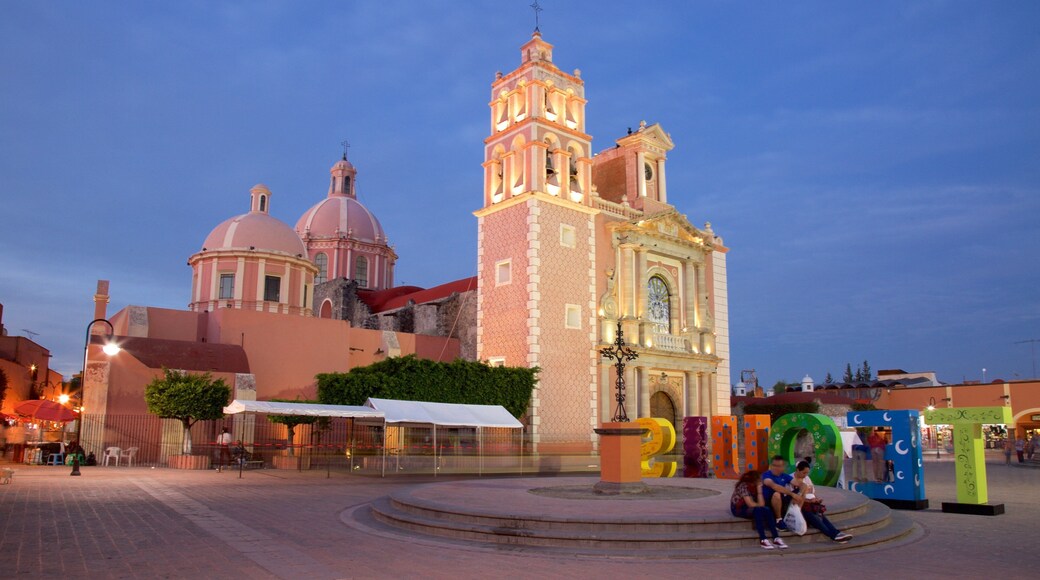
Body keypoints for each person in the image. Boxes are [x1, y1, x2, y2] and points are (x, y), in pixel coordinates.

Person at [791, 460, 852, 543]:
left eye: (807, 473)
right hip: (799, 507)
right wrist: (808, 500)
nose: (805, 475)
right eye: (803, 473)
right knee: (814, 517)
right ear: (797, 470)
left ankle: (837, 533)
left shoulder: (806, 478)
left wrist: (816, 499)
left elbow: (812, 491)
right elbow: (792, 498)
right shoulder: (791, 479)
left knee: (820, 516)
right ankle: (834, 535)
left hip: (810, 504)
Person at [730, 470, 788, 550]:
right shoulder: (743, 486)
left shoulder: (757, 487)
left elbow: (762, 504)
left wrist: (759, 491)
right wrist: (760, 506)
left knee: (766, 509)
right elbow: (750, 504)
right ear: (754, 480)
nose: (761, 481)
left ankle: (776, 537)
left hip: (752, 507)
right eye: (759, 480)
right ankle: (763, 539)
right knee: (759, 510)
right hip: (738, 508)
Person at [762, 455, 803, 531]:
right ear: (771, 466)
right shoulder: (766, 475)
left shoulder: (785, 476)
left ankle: (797, 512)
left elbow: (799, 484)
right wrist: (792, 494)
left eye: (779, 466)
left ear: (783, 467)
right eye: (774, 465)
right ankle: (779, 521)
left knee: (801, 488)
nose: (776, 468)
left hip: (781, 500)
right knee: (776, 494)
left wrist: (801, 493)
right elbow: (774, 486)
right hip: (768, 501)